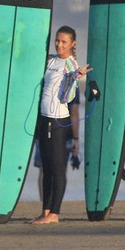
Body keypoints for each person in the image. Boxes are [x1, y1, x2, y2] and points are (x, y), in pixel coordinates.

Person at [31, 26, 90, 224]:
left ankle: (55, 213)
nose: (59, 44)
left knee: (57, 169)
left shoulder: (72, 65)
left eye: (64, 42)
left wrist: (74, 77)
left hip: (59, 122)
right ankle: (45, 210)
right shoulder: (50, 61)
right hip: (44, 119)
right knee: (46, 168)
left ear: (72, 44)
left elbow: (68, 97)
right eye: (57, 40)